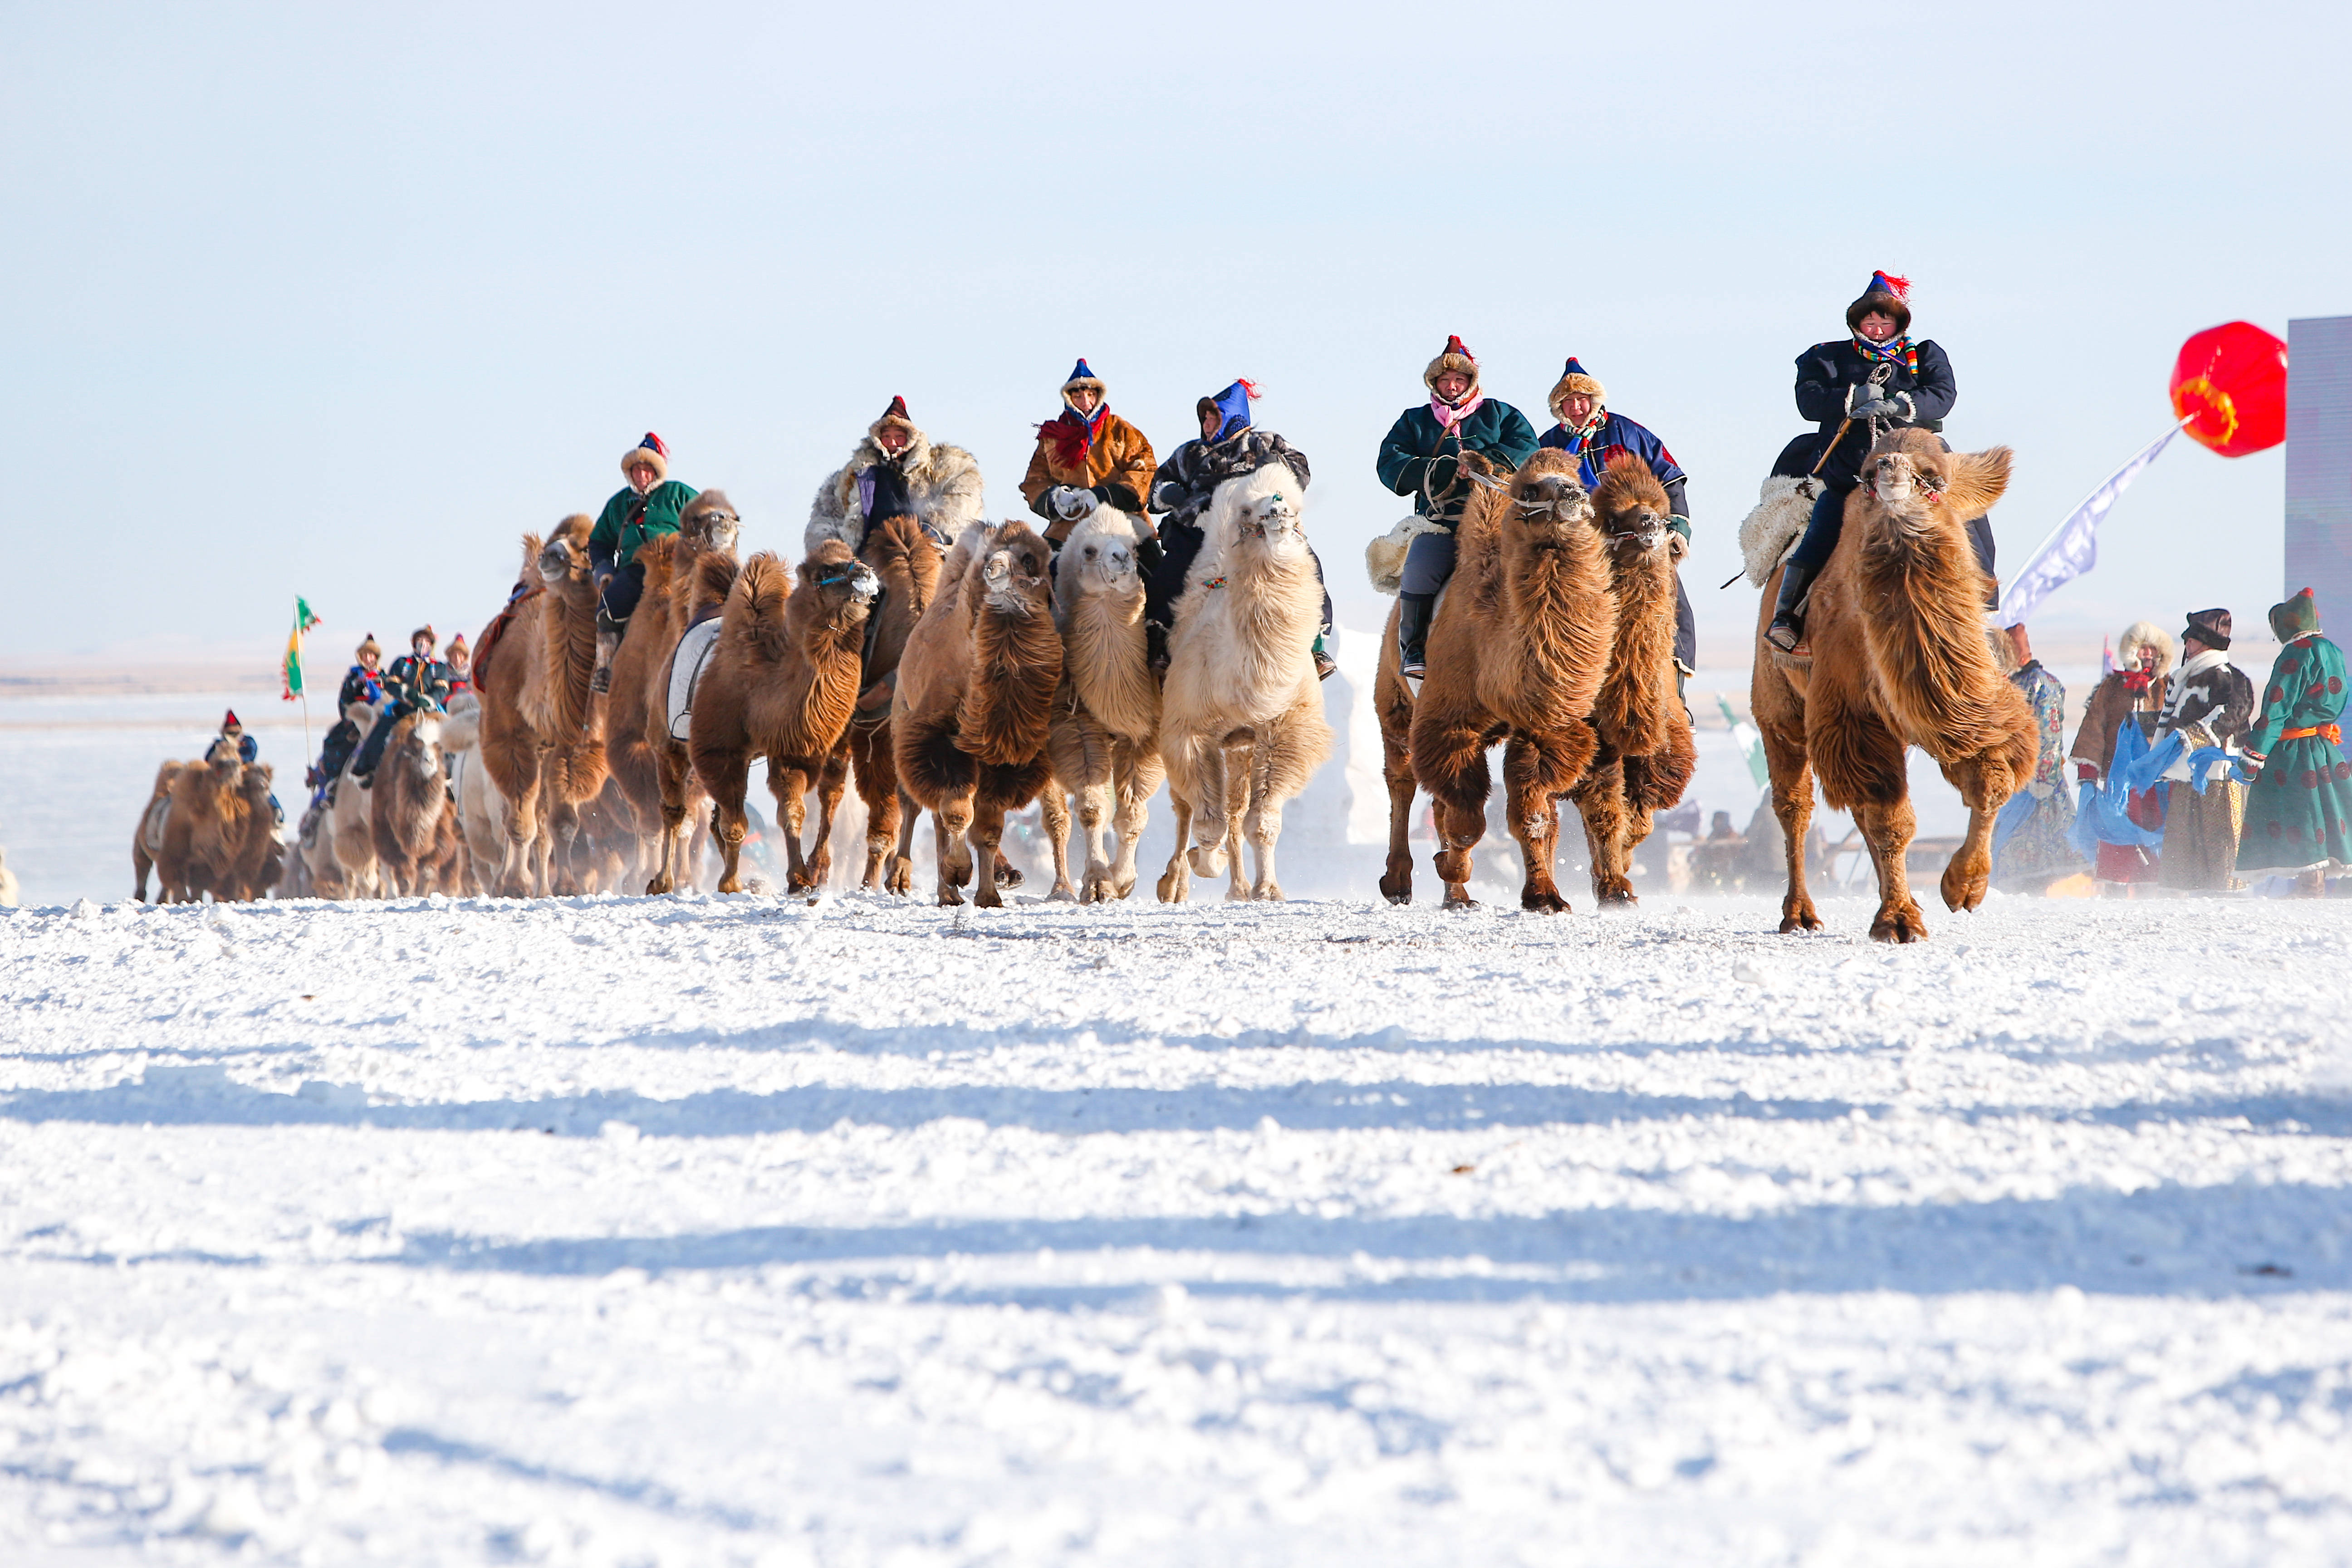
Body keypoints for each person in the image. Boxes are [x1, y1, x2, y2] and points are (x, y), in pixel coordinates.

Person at [1766, 272, 1960, 653]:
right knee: (1822, 530)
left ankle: (1979, 599)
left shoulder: (1923, 356)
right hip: (1851, 474)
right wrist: (1851, 397)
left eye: (1883, 321)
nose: (1876, 329)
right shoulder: (1827, 357)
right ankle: (1787, 616)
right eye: (1868, 322)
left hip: (1914, 473)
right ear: (1857, 323)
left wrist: (1902, 405)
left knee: (1964, 522)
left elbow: (1943, 394)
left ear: (1898, 323)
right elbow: (1809, 400)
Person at [1377, 335, 1541, 681]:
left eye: (1460, 380)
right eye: (1445, 381)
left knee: (1540, 569)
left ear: (1471, 382)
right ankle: (1414, 647)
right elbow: (1389, 464)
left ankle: (1545, 650)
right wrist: (1443, 470)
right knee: (1421, 569)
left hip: (1498, 519)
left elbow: (1528, 449)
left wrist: (1485, 463)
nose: (1452, 386)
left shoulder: (1502, 414)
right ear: (1434, 384)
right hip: (1442, 521)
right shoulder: (1414, 421)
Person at [1146, 379, 1333, 678]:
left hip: (1255, 531)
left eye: (1213, 416)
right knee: (1168, 574)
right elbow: (1156, 488)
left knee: (1305, 563)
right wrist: (1171, 494)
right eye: (1204, 417)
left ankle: (1315, 642)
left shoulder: (1266, 443)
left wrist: (1279, 468)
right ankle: (1157, 640)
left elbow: (1301, 473)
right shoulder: (1190, 453)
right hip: (1201, 530)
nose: (1207, 423)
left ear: (1232, 417)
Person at [1536, 355, 1698, 676]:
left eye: (1582, 400)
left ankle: (1676, 682)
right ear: (1559, 408)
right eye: (1568, 402)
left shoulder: (1627, 432)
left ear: (1594, 401)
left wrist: (1678, 523)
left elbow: (1669, 474)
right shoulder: (1548, 445)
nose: (1577, 408)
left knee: (1672, 600)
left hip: (1632, 534)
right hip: (1579, 542)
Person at [2237, 588, 2352, 895]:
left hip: (2293, 756)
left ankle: (2308, 895)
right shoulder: (2334, 651)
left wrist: (2252, 758)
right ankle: (2314, 893)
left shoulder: (2296, 653)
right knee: (2322, 825)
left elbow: (2277, 708)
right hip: (2324, 750)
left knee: (2303, 827)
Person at [2154, 607, 2255, 892]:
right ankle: (2186, 894)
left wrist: (2191, 738)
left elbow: (2234, 712)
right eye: (2186, 640)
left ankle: (2226, 895)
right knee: (2183, 838)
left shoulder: (2227, 677)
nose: (2186, 645)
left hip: (2219, 775)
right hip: (2188, 774)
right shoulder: (2185, 678)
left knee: (2220, 839)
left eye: (2192, 640)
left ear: (2208, 642)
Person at [590, 432, 700, 692]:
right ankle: (606, 669)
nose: (641, 476)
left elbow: (706, 521)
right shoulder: (618, 504)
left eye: (647, 470)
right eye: (636, 471)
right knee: (607, 609)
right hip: (636, 570)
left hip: (679, 567)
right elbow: (599, 542)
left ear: (657, 471)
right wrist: (604, 570)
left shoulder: (679, 494)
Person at [2069, 619, 2174, 888]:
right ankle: (2116, 891)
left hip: (2157, 780)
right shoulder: (2113, 687)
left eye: (2152, 649)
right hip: (2118, 777)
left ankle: (2155, 889)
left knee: (2156, 835)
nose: (2147, 654)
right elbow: (2094, 725)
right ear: (2132, 652)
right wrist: (2089, 772)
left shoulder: (2170, 687)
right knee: (2115, 831)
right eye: (2142, 648)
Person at [808, 396, 984, 555]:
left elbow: (964, 497)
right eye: (887, 436)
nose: (892, 442)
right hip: (869, 556)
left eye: (899, 436)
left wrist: (934, 532)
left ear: (910, 438)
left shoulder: (939, 468)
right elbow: (825, 514)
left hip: (922, 551)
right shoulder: (855, 476)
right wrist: (836, 552)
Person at [1989, 623, 2087, 892]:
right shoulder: (2011, 683)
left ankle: (2028, 893)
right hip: (2012, 777)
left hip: (2035, 781)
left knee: (2029, 842)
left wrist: (2044, 777)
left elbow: (2050, 733)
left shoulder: (2041, 684)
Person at [1019, 360, 1157, 549]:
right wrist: (1056, 499)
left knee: (1158, 572)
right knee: (1043, 567)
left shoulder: (1120, 430)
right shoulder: (1052, 438)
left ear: (1099, 397)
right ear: (1069, 399)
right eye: (1078, 396)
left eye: (1091, 395)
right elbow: (1035, 480)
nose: (1086, 403)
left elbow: (1145, 469)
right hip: (1069, 525)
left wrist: (1104, 496)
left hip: (1123, 519)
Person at [353, 627, 454, 788]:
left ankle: (450, 776)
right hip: (404, 708)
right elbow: (391, 683)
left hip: (430, 711)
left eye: (427, 642)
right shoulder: (402, 663)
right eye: (420, 641)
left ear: (432, 645)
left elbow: (442, 688)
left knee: (448, 735)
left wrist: (428, 700)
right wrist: (408, 694)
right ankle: (366, 770)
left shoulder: (439, 667)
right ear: (414, 644)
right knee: (381, 730)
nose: (423, 645)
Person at [309, 635, 385, 797]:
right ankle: (333, 781)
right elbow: (344, 699)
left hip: (379, 719)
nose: (367, 658)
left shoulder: (385, 677)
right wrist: (349, 719)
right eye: (364, 655)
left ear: (376, 657)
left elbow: (388, 698)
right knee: (332, 742)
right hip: (355, 719)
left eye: (371, 655)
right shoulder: (353, 677)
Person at [444, 633, 472, 699]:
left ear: (465, 657)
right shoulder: (444, 671)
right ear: (450, 657)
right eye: (454, 655)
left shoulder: (470, 672)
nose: (457, 658)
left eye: (460, 655)